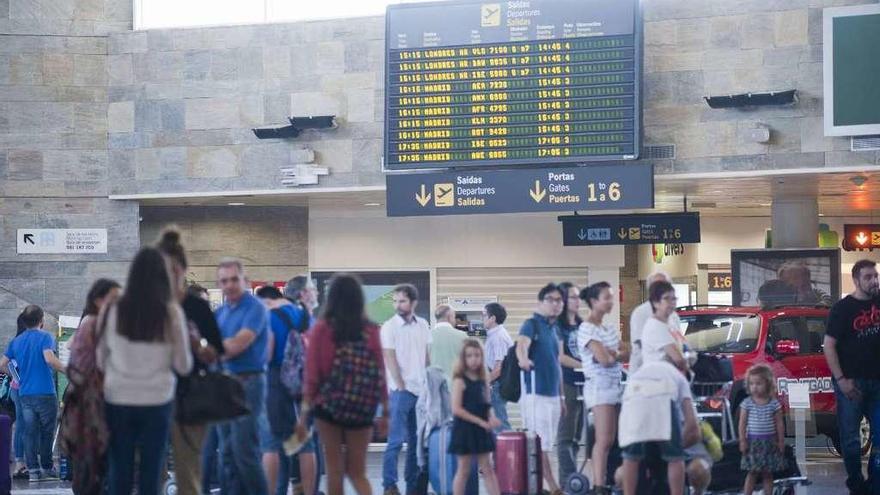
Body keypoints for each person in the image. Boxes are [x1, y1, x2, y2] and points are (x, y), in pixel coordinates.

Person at [97, 247, 193, 495]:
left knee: (120, 468)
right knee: (152, 469)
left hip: (118, 399)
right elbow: (184, 365)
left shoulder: (112, 309)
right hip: (157, 400)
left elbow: (99, 360)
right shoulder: (171, 312)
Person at [299, 274, 388, 495]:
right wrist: (386, 410)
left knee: (334, 470)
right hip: (362, 408)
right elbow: (379, 373)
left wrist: (303, 414)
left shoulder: (321, 329)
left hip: (329, 407)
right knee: (358, 472)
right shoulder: (371, 330)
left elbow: (313, 376)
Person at [157, 229, 225, 495]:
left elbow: (216, 353)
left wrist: (198, 344)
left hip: (190, 393)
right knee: (154, 461)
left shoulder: (197, 307)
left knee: (189, 463)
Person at [824, 259, 880, 495]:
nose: (874, 281)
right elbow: (829, 345)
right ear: (856, 280)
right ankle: (856, 483)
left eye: (875, 276)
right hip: (851, 383)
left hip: (878, 382)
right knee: (850, 439)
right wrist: (841, 379)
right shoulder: (842, 309)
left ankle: (875, 483)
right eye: (868, 277)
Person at [215, 258, 270, 495]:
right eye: (224, 281)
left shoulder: (255, 308)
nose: (229, 285)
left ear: (244, 280)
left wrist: (215, 346)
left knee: (244, 451)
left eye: (234, 279)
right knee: (226, 452)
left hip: (249, 384)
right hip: (224, 386)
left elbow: (238, 345)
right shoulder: (220, 312)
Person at [255, 285, 317, 495]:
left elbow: (268, 353)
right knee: (305, 445)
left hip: (276, 384)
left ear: (267, 301)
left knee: (271, 444)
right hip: (305, 385)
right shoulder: (306, 317)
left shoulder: (269, 317)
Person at [62, 278, 121, 493]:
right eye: (114, 299)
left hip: (95, 405)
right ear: (98, 300)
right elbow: (82, 369)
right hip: (90, 407)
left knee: (96, 465)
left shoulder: (101, 323)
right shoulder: (91, 323)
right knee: (91, 465)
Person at [0, 305, 65, 482]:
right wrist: (69, 370)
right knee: (46, 432)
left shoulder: (16, 341)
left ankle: (33, 472)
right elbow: (49, 359)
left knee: (29, 431)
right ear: (42, 320)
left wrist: (18, 379)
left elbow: (2, 364)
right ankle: (46, 468)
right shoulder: (45, 337)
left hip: (25, 394)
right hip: (45, 392)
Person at [618, 360, 700, 495]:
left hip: (634, 395)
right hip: (664, 398)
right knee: (675, 458)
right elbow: (693, 428)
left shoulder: (641, 372)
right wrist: (675, 449)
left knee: (630, 458)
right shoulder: (679, 378)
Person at [381, 283, 432, 495]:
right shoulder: (389, 327)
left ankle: (413, 486)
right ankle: (389, 485)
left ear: (413, 302)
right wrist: (400, 385)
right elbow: (389, 357)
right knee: (394, 441)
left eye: (402, 300)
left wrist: (429, 383)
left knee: (415, 442)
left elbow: (427, 356)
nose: (397, 305)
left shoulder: (423, 325)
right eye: (395, 301)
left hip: (420, 391)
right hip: (400, 392)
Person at [516, 283, 565, 495]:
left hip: (553, 395)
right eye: (550, 300)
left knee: (548, 443)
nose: (555, 304)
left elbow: (558, 364)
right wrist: (523, 359)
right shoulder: (531, 324)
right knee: (540, 443)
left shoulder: (554, 330)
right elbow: (521, 345)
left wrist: (562, 397)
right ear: (540, 303)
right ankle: (552, 487)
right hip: (535, 393)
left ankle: (543, 486)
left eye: (559, 301)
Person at [577, 281, 625, 494]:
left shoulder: (608, 328)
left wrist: (612, 353)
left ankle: (604, 480)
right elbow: (604, 359)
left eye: (611, 297)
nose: (610, 301)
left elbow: (627, 352)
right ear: (594, 301)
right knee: (604, 439)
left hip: (615, 386)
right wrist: (613, 353)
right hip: (599, 388)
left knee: (612, 439)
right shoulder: (586, 328)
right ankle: (598, 484)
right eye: (606, 297)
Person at [448, 339, 501, 495]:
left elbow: (488, 403)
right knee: (464, 470)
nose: (473, 359)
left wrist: (491, 417)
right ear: (463, 359)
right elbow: (456, 409)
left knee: (488, 469)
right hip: (464, 429)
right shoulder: (459, 380)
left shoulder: (483, 379)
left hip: (482, 429)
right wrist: (480, 422)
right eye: (469, 356)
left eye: (477, 355)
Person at [738, 364, 786, 495]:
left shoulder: (774, 404)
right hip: (753, 443)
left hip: (769, 442)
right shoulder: (747, 403)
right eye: (752, 383)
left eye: (758, 383)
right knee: (752, 472)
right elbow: (742, 423)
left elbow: (779, 423)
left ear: (768, 384)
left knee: (767, 473)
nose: (755, 386)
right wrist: (742, 440)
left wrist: (781, 441)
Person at [556, 281, 584, 483]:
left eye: (578, 296)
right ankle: (572, 480)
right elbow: (560, 356)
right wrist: (583, 365)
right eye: (573, 297)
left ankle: (569, 482)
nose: (577, 301)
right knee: (565, 437)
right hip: (566, 382)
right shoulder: (557, 325)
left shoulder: (582, 324)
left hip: (584, 383)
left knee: (576, 438)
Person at [629, 272, 682, 374]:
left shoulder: (674, 316)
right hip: (645, 373)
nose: (662, 289)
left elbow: (679, 342)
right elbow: (641, 343)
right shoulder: (641, 312)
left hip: (668, 373)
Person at [640, 281, 687, 371]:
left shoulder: (670, 323)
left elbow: (685, 346)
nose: (671, 302)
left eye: (673, 299)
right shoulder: (656, 327)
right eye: (666, 298)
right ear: (655, 302)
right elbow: (678, 359)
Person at [482, 303, 513, 432]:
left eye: (484, 315)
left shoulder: (498, 337)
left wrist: (484, 382)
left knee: (500, 424)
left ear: (493, 318)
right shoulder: (494, 334)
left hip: (497, 384)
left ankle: (508, 450)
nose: (482, 319)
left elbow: (498, 368)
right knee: (496, 422)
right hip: (496, 383)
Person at [9, 313, 28, 480]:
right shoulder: (21, 342)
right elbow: (8, 365)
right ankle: (20, 464)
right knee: (22, 426)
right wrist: (21, 381)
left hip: (18, 389)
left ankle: (22, 463)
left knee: (23, 426)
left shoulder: (17, 341)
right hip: (21, 390)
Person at [429, 304, 467, 384]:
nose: (455, 320)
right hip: (456, 388)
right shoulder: (463, 336)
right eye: (454, 317)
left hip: (433, 388)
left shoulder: (426, 336)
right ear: (449, 317)